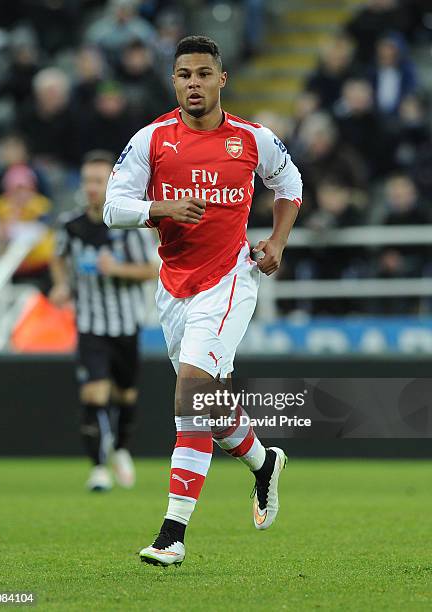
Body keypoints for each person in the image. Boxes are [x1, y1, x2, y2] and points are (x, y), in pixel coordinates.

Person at [103, 36, 303, 566]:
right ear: (174, 82)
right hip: (173, 286)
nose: (194, 83)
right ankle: (264, 463)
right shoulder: (152, 140)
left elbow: (291, 183)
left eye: (203, 73)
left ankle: (172, 533)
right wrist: (161, 207)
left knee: (191, 393)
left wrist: (277, 243)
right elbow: (112, 208)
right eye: (184, 74)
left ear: (222, 79)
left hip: (230, 279)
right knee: (210, 406)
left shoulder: (253, 139)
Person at [49, 150, 158, 491]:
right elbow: (57, 255)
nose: (92, 187)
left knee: (125, 395)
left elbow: (152, 270)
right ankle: (98, 468)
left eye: (98, 181)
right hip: (90, 325)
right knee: (94, 393)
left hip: (126, 325)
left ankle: (122, 449)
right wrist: (61, 284)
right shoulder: (71, 225)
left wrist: (117, 270)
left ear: (112, 184)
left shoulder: (130, 227)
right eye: (87, 181)